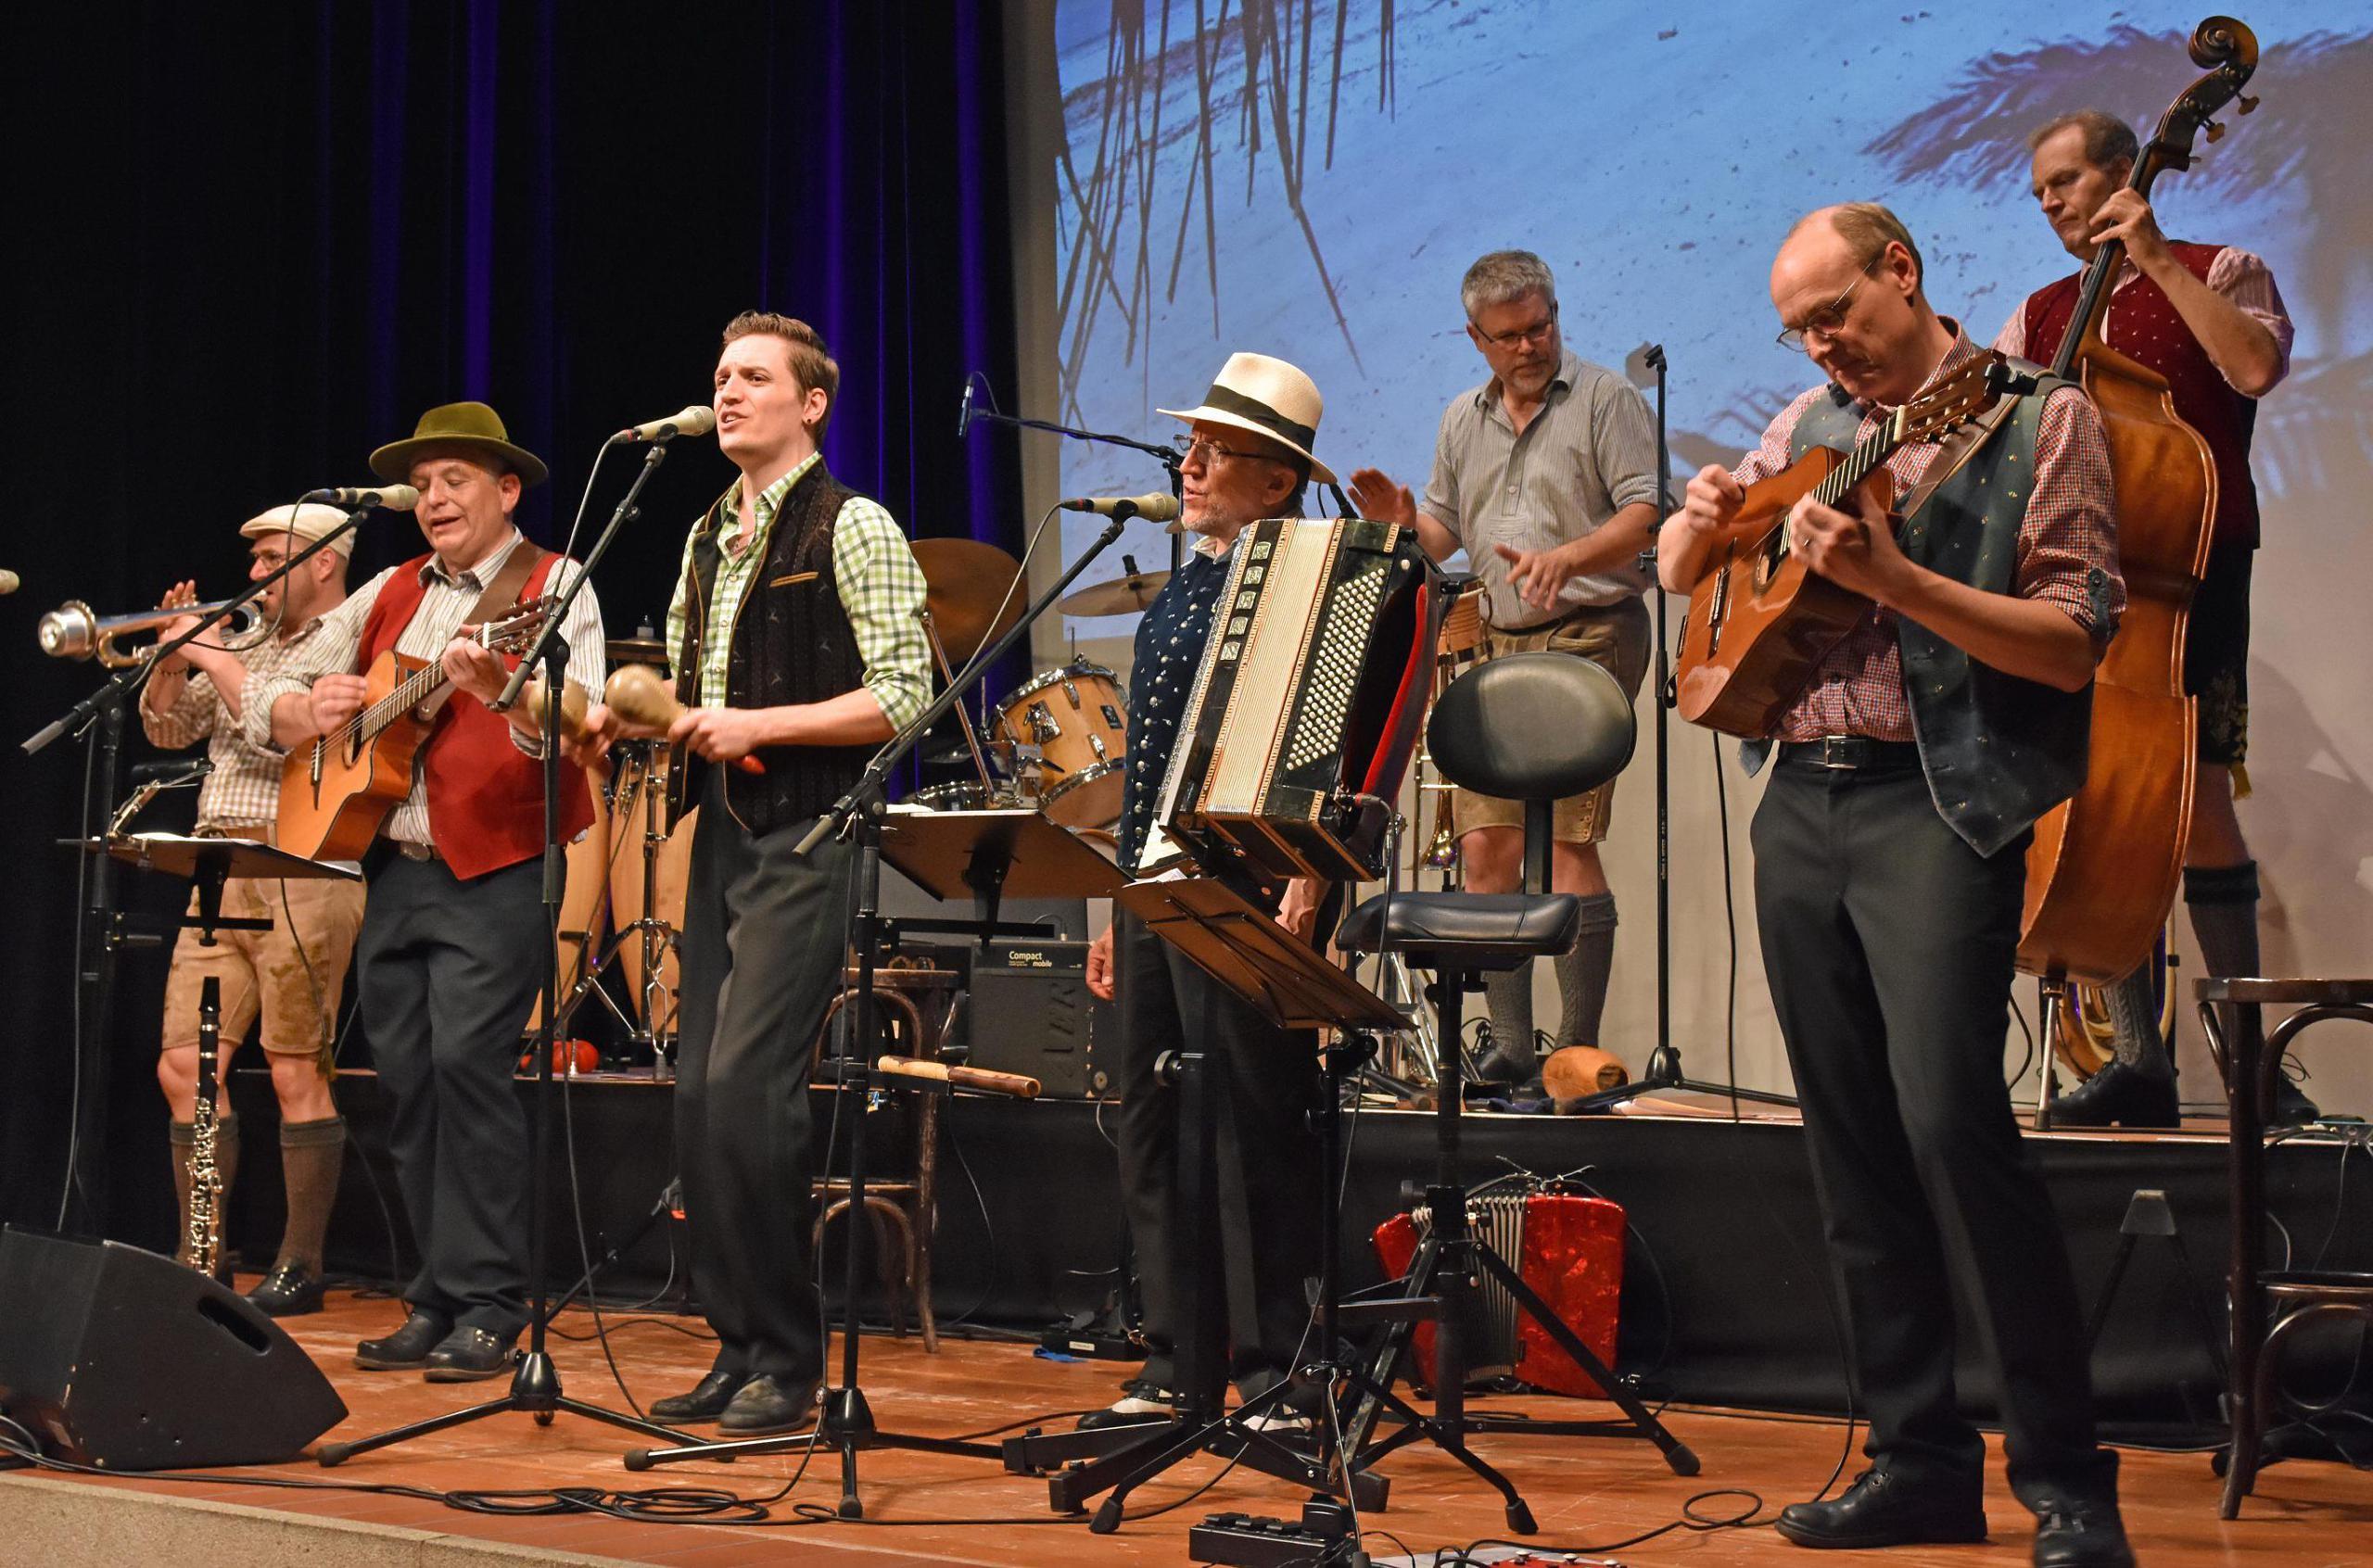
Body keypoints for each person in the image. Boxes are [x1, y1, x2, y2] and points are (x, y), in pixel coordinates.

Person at [1661, 204, 2134, 1567]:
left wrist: (1900, 580)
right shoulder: (1807, 427)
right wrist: (1698, 536)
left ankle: (2068, 1484)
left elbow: (2070, 643)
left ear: (1904, 274)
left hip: (1939, 802)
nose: (1821, 350)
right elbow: (1692, 584)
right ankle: (1919, 1459)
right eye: (1799, 333)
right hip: (1801, 801)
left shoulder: (2035, 418)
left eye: (1836, 320)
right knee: (1851, 1143)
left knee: (1952, 1128)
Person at [590, 312, 929, 1437]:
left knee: (748, 1086)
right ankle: (739, 1348)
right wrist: (615, 722)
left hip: (808, 829)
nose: (726, 394)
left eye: (752, 378)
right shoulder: (702, 536)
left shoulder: (855, 525)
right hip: (727, 833)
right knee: (698, 1095)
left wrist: (757, 726)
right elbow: (691, 698)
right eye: (720, 375)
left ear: (812, 403)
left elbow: (906, 693)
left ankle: (792, 1362)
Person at [248, 402, 607, 1381]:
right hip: (396, 873)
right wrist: (306, 707)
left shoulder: (553, 585)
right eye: (425, 484)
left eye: (457, 479)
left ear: (506, 491)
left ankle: (492, 1304)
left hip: (496, 869)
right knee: (407, 1085)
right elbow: (291, 674)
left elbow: (569, 731)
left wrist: (502, 691)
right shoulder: (391, 587)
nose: (435, 498)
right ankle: (435, 1296)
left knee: (469, 1075)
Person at [1998, 108, 2303, 1128]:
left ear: (2126, 175)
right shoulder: (2039, 314)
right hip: (2076, 592)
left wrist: (2157, 258)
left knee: (2199, 803)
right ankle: (2138, 1060)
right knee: (2099, 812)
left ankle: (2253, 1065)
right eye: (2039, 191)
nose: (2049, 203)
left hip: (2191, 577)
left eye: (2065, 182)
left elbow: (2253, 371)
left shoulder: (2222, 267)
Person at [1080, 352, 1331, 1432]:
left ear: (1276, 481)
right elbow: (1143, 757)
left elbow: (1343, 734)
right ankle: (1178, 1358)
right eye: (1191, 444)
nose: (1187, 464)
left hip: (1248, 877)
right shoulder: (1189, 576)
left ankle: (1278, 1365)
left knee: (1247, 1123)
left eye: (1213, 450)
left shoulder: (1315, 574)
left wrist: (1315, 874)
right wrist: (1111, 900)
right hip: (1155, 878)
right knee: (1152, 1116)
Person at [1347, 249, 1662, 1087]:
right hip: (1497, 638)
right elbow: (1447, 535)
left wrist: (1568, 557)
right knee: (1484, 846)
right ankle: (1514, 1047)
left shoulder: (1604, 399)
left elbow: (1643, 513)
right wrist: (1400, 526)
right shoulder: (1462, 418)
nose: (1531, 346)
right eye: (1510, 336)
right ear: (1476, 338)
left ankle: (1576, 1050)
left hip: (1591, 629)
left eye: (1542, 326)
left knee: (1561, 839)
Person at [142, 503, 366, 1315]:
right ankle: (201, 1253)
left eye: (271, 558)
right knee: (184, 1066)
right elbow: (173, 729)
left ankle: (300, 1263)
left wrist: (209, 649)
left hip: (300, 862)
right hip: (217, 861)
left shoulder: (352, 630)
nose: (253, 576)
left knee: (294, 1065)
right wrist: (171, 660)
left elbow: (284, 724)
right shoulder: (245, 640)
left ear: (321, 563)